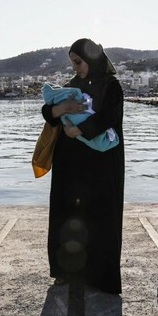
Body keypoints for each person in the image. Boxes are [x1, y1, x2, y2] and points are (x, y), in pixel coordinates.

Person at [40, 38, 124, 294]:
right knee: (68, 217)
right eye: (72, 62)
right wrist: (61, 109)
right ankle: (66, 272)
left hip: (101, 165)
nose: (75, 67)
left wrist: (79, 129)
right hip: (70, 165)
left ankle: (100, 275)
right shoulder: (71, 87)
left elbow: (110, 119)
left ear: (92, 58)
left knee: (100, 216)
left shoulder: (112, 86)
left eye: (78, 61)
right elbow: (47, 112)